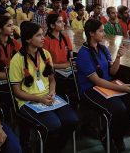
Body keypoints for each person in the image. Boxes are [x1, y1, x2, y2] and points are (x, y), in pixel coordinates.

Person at [10, 22, 79, 152]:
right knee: (54, 125)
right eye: (39, 35)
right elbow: (17, 92)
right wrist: (40, 99)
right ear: (28, 39)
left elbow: (52, 80)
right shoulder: (17, 60)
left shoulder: (45, 54)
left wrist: (52, 92)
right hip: (28, 101)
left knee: (72, 120)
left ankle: (55, 148)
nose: (43, 38)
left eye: (43, 35)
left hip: (48, 97)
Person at [76, 19, 130, 152]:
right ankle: (108, 136)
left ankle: (118, 135)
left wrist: (118, 57)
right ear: (91, 33)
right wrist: (122, 88)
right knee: (119, 109)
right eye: (100, 31)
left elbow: (112, 72)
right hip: (90, 89)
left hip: (107, 84)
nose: (103, 33)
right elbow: (97, 81)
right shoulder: (83, 53)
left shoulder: (103, 48)